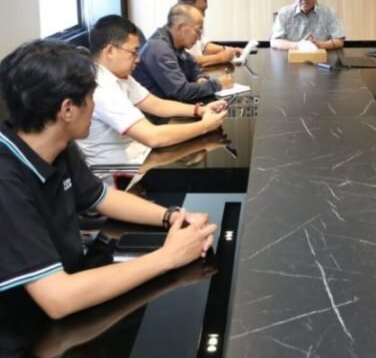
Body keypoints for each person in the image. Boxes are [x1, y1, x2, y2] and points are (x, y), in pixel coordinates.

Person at [0, 40, 217, 320]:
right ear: (67, 110)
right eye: (91, 97)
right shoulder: (6, 180)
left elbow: (101, 197)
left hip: (73, 278)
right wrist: (168, 256)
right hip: (25, 322)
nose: (94, 106)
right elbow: (58, 298)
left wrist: (173, 216)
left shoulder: (57, 144)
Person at [76, 15, 228, 170]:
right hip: (120, 173)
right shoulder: (101, 89)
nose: (138, 59)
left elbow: (157, 105)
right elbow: (153, 137)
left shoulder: (119, 76)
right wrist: (205, 126)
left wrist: (200, 110)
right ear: (110, 51)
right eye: (134, 52)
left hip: (140, 155)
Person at [133, 3, 234, 102]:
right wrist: (218, 84)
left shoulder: (174, 43)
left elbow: (192, 64)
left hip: (170, 103)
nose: (199, 38)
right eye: (198, 31)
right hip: (156, 111)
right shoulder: (160, 49)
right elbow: (181, 92)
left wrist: (200, 78)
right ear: (181, 28)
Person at [270, 0, 345, 50]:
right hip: (291, 56)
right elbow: (274, 41)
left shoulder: (329, 12)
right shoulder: (285, 13)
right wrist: (299, 45)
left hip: (321, 56)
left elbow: (339, 41)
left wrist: (319, 45)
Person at [177, 0, 242, 68]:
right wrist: (219, 58)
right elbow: (187, 61)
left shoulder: (195, 24)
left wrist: (228, 49)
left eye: (204, 10)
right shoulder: (179, 29)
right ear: (185, 8)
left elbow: (203, 46)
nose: (203, 15)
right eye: (200, 10)